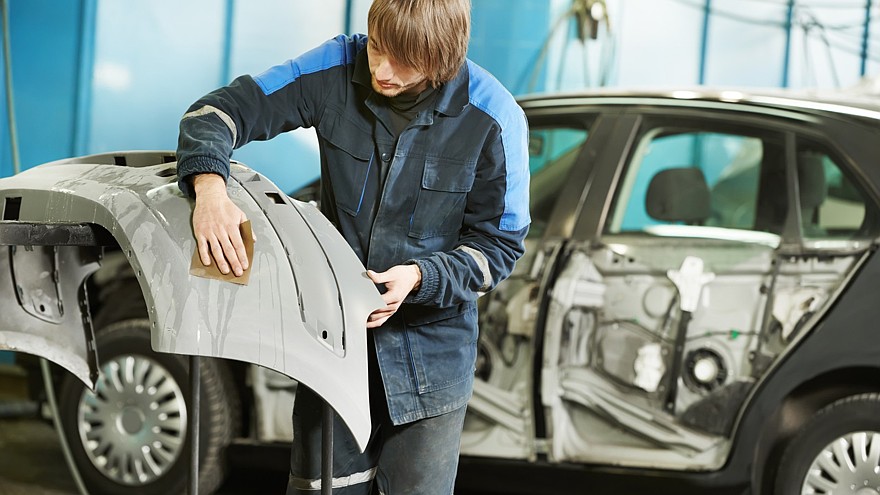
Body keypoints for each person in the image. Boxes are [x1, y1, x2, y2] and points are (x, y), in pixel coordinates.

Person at [175, 0, 529, 492]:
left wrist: (421, 278)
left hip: (431, 367)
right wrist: (209, 187)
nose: (381, 70)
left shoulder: (494, 117)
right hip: (333, 348)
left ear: (441, 59)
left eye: (402, 59)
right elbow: (216, 112)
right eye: (377, 47)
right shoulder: (337, 68)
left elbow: (500, 247)